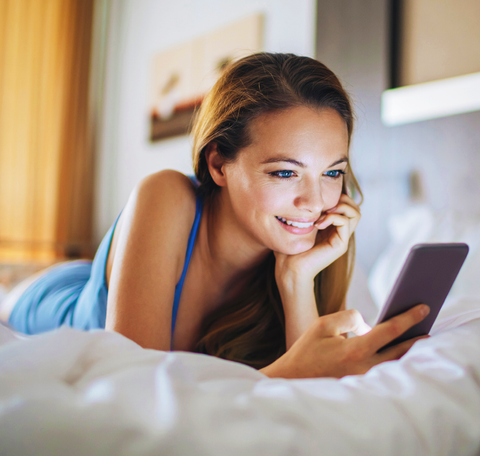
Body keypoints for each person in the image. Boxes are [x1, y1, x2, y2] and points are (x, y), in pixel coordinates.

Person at [0, 52, 429, 378]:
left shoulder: (311, 246)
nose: (315, 202)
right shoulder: (166, 195)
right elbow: (129, 389)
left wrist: (296, 280)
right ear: (219, 164)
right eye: (285, 172)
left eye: (332, 171)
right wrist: (286, 374)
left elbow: (308, 397)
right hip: (59, 299)